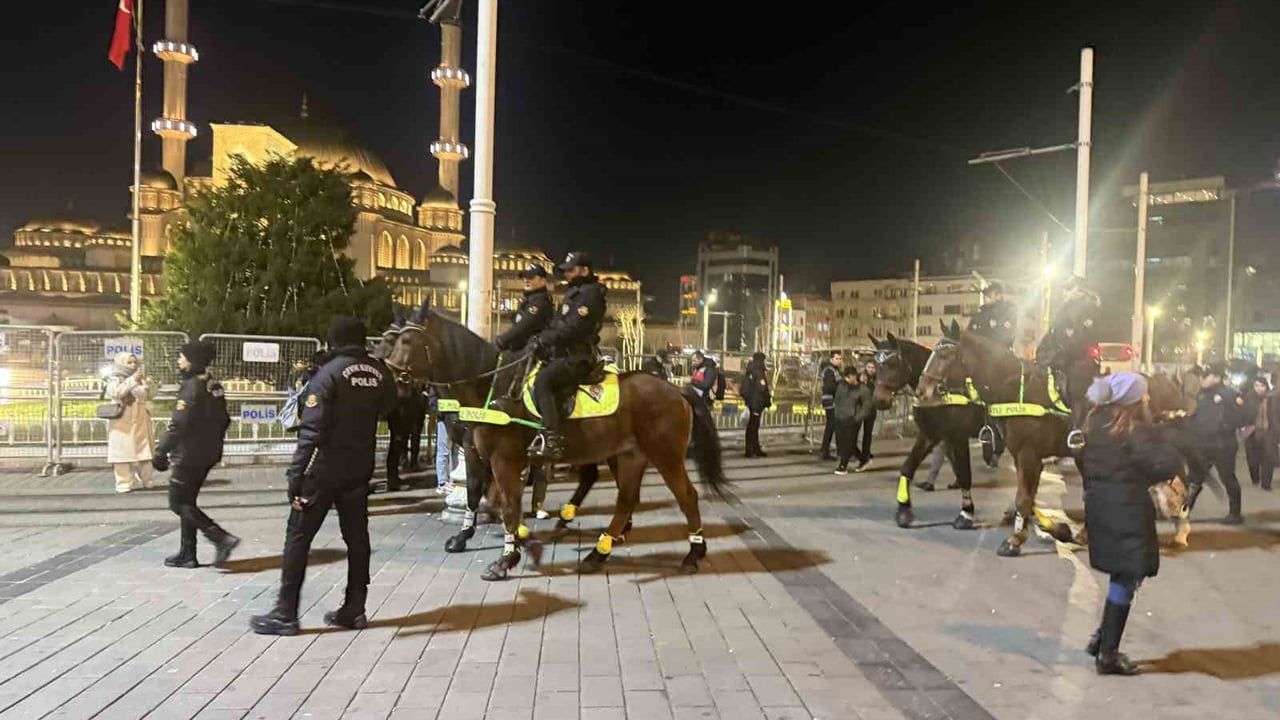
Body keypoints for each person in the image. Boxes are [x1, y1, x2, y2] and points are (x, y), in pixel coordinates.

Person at [251, 316, 396, 636]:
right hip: (360, 466)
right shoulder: (380, 372)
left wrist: (296, 474)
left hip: (323, 469)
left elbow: (311, 431)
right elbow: (389, 407)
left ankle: (285, 612)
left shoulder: (327, 374)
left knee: (298, 536)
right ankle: (355, 608)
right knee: (357, 538)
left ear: (333, 341)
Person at [1080, 372, 1183, 675]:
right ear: (1133, 401)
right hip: (1126, 510)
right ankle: (1108, 654)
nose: (1148, 399)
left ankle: (1103, 637)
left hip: (1101, 506)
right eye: (1144, 395)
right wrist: (1167, 437)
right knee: (1127, 575)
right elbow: (1163, 465)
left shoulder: (1095, 425)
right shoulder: (1134, 432)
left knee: (1123, 573)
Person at [151, 340, 238, 569]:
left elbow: (179, 424)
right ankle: (188, 553)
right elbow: (225, 419)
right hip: (208, 452)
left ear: (191, 360)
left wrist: (161, 451)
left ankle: (220, 537)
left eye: (182, 356)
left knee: (177, 502)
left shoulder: (192, 387)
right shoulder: (212, 384)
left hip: (189, 454)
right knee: (187, 501)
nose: (178, 360)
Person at [528, 252, 607, 460]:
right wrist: (540, 340)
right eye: (566, 271)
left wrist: (546, 340)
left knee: (543, 381)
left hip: (578, 357)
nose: (567, 274)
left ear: (584, 270)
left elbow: (573, 327)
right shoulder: (574, 294)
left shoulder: (590, 295)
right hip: (563, 355)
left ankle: (552, 439)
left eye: (571, 270)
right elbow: (557, 324)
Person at [1186, 363, 1246, 524]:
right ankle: (1183, 512)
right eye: (1202, 376)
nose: (1202, 379)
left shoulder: (1229, 394)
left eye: (1207, 376)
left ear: (1218, 378)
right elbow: (1199, 416)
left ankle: (1235, 514)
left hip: (1223, 445)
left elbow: (1242, 416)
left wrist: (1225, 424)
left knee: (1228, 478)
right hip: (1203, 444)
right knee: (1194, 479)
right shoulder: (1202, 394)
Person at [104, 352, 158, 493]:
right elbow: (116, 393)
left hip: (141, 418)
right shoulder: (115, 378)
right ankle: (124, 482)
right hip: (123, 419)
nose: (133, 365)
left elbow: (151, 395)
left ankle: (147, 479)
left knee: (144, 450)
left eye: (135, 362)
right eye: (129, 362)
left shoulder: (141, 378)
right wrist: (132, 379)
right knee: (122, 452)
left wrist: (149, 384)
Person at [1243, 376, 1279, 491]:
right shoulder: (1248, 398)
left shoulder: (1272, 398)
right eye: (1257, 386)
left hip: (1269, 432)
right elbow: (1243, 415)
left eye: (1262, 386)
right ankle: (1255, 479)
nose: (1259, 388)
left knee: (1268, 458)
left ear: (1266, 386)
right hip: (1252, 432)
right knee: (1253, 459)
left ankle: (1266, 483)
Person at [833, 368, 871, 474]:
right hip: (840, 417)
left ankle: (843, 465)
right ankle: (864, 459)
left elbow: (867, 406)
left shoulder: (863, 389)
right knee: (847, 443)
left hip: (853, 419)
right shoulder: (841, 386)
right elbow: (837, 400)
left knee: (848, 442)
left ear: (854, 376)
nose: (847, 379)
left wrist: (857, 417)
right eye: (846, 377)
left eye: (849, 377)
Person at [738, 352, 772, 458]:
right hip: (757, 402)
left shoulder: (750, 369)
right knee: (753, 426)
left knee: (752, 426)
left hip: (752, 401)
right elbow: (761, 388)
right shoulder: (758, 371)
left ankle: (752, 448)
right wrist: (767, 400)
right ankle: (752, 449)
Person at [968, 281, 1017, 348]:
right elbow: (970, 331)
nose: (984, 297)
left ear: (998, 296)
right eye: (984, 294)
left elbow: (1005, 334)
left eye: (989, 295)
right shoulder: (981, 311)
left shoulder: (1007, 311)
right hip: (979, 350)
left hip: (998, 350)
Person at [429, 389, 459, 496]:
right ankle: (442, 482)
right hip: (444, 419)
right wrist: (441, 413)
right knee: (444, 451)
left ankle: (454, 480)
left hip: (457, 419)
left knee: (455, 451)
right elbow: (433, 402)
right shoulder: (438, 386)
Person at [818, 352, 843, 460]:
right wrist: (840, 389)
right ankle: (827, 451)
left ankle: (826, 451)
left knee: (832, 426)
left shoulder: (835, 370)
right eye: (837, 358)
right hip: (831, 401)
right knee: (833, 426)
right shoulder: (830, 370)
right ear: (831, 359)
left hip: (832, 400)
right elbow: (829, 387)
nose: (839, 360)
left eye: (840, 358)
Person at [855, 360, 879, 470]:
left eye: (873, 367)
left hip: (871, 409)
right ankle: (858, 454)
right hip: (860, 408)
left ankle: (865, 453)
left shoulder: (877, 379)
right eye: (869, 367)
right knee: (855, 432)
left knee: (867, 433)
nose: (871, 370)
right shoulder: (860, 377)